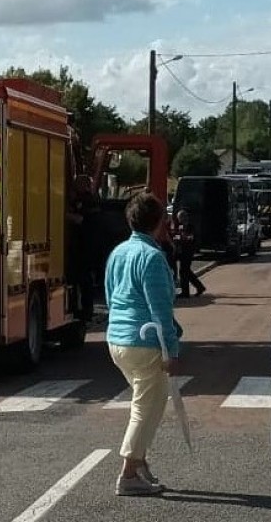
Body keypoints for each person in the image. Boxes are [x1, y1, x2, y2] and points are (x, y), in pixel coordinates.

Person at [104, 190, 180, 496]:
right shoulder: (152, 257)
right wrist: (172, 350)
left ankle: (140, 462)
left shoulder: (118, 252)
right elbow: (160, 307)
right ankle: (129, 472)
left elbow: (111, 296)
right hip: (145, 340)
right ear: (159, 222)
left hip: (118, 339)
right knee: (146, 408)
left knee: (144, 403)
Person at [67, 175, 97, 322]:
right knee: (77, 279)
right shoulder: (81, 199)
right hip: (80, 246)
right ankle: (81, 309)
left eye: (77, 183)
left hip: (84, 247)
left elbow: (81, 220)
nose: (74, 185)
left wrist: (65, 215)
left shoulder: (88, 200)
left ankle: (86, 310)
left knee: (83, 280)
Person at [173, 209, 205, 298]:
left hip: (188, 252)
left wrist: (182, 237)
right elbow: (177, 236)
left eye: (180, 218)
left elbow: (190, 238)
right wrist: (178, 238)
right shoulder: (180, 226)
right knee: (186, 271)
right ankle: (199, 287)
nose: (179, 220)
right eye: (178, 218)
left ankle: (185, 292)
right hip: (181, 251)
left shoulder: (191, 227)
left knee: (184, 271)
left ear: (184, 218)